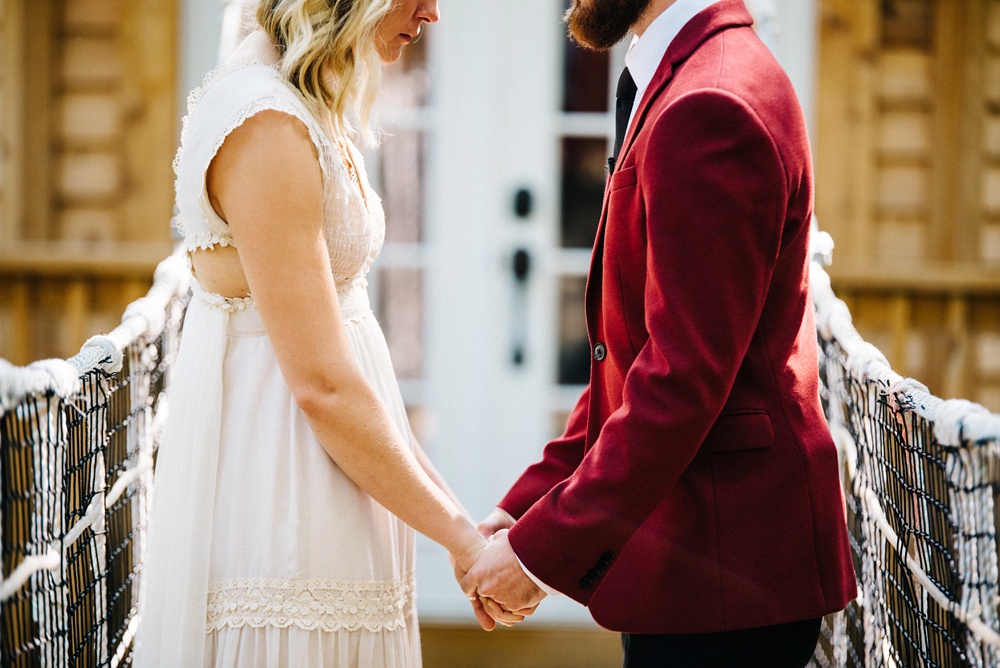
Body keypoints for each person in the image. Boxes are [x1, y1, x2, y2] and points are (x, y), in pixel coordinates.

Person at [458, 1, 858, 666]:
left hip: (725, 587)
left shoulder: (713, 102)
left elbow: (682, 378)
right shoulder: (687, 77)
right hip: (697, 569)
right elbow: (633, 353)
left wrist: (540, 553)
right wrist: (533, 504)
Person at [134, 1, 498, 666]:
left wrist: (462, 522)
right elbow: (323, 386)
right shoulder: (266, 125)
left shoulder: (296, 100)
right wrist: (464, 543)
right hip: (283, 503)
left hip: (325, 478)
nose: (433, 12)